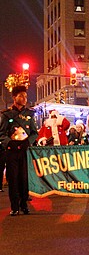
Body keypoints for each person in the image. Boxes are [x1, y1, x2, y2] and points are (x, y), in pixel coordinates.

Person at [0, 85, 38, 216]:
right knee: (13, 179)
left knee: (24, 178)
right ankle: (14, 206)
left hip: (24, 150)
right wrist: (9, 142)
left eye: (26, 96)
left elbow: (34, 132)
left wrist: (28, 142)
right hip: (11, 151)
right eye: (21, 96)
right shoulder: (7, 115)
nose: (24, 98)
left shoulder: (29, 114)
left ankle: (24, 205)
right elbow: (2, 133)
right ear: (14, 97)